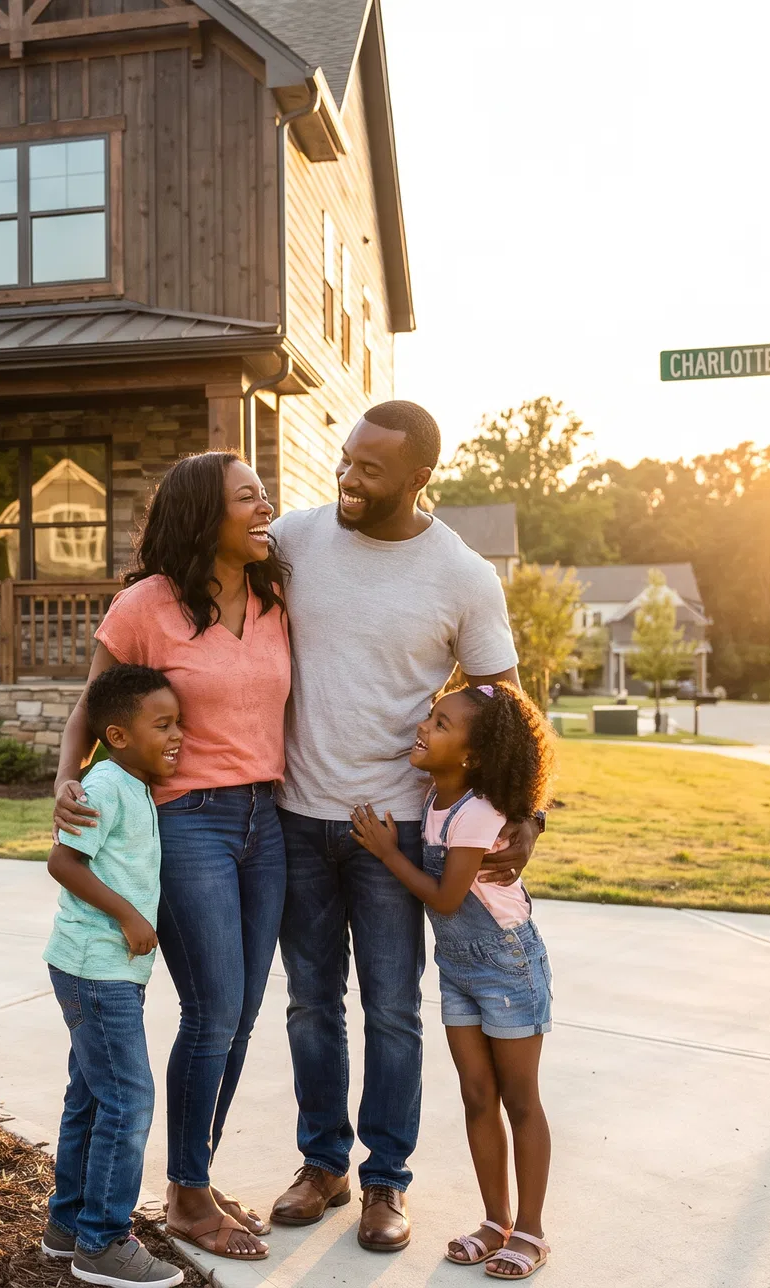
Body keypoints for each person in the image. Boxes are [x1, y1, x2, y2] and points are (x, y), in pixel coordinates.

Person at [268, 400, 540, 1252]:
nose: (348, 478)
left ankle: (387, 1181)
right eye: (345, 461)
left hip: (394, 835)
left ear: (420, 477)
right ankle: (323, 1165)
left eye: (369, 469)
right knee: (313, 1004)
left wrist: (526, 810)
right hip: (295, 817)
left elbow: (506, 706)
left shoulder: (461, 574)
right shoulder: (300, 538)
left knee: (392, 1008)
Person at [53, 451, 290, 1262]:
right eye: (248, 497)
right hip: (189, 822)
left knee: (242, 1014)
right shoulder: (144, 607)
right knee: (213, 1009)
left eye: (266, 495)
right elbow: (93, 706)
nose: (267, 508)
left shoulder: (273, 594)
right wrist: (65, 783)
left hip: (270, 819)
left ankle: (195, 1176)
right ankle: (187, 1198)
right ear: (203, 514)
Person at [350, 682, 556, 1280]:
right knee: (475, 1096)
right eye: (432, 717)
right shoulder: (435, 798)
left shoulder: (478, 813)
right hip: (460, 969)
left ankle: (534, 1230)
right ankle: (496, 1221)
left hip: (507, 967)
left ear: (470, 756)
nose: (425, 726)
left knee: (519, 1101)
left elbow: (445, 898)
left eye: (441, 724)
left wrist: (389, 854)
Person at [39, 662, 187, 1288]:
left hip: (96, 969)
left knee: (93, 1096)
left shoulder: (130, 782)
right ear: (120, 734)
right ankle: (102, 1242)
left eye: (177, 722)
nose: (177, 735)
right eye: (163, 724)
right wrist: (129, 915)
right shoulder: (104, 785)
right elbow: (63, 862)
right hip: (97, 970)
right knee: (129, 1100)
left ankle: (68, 1224)